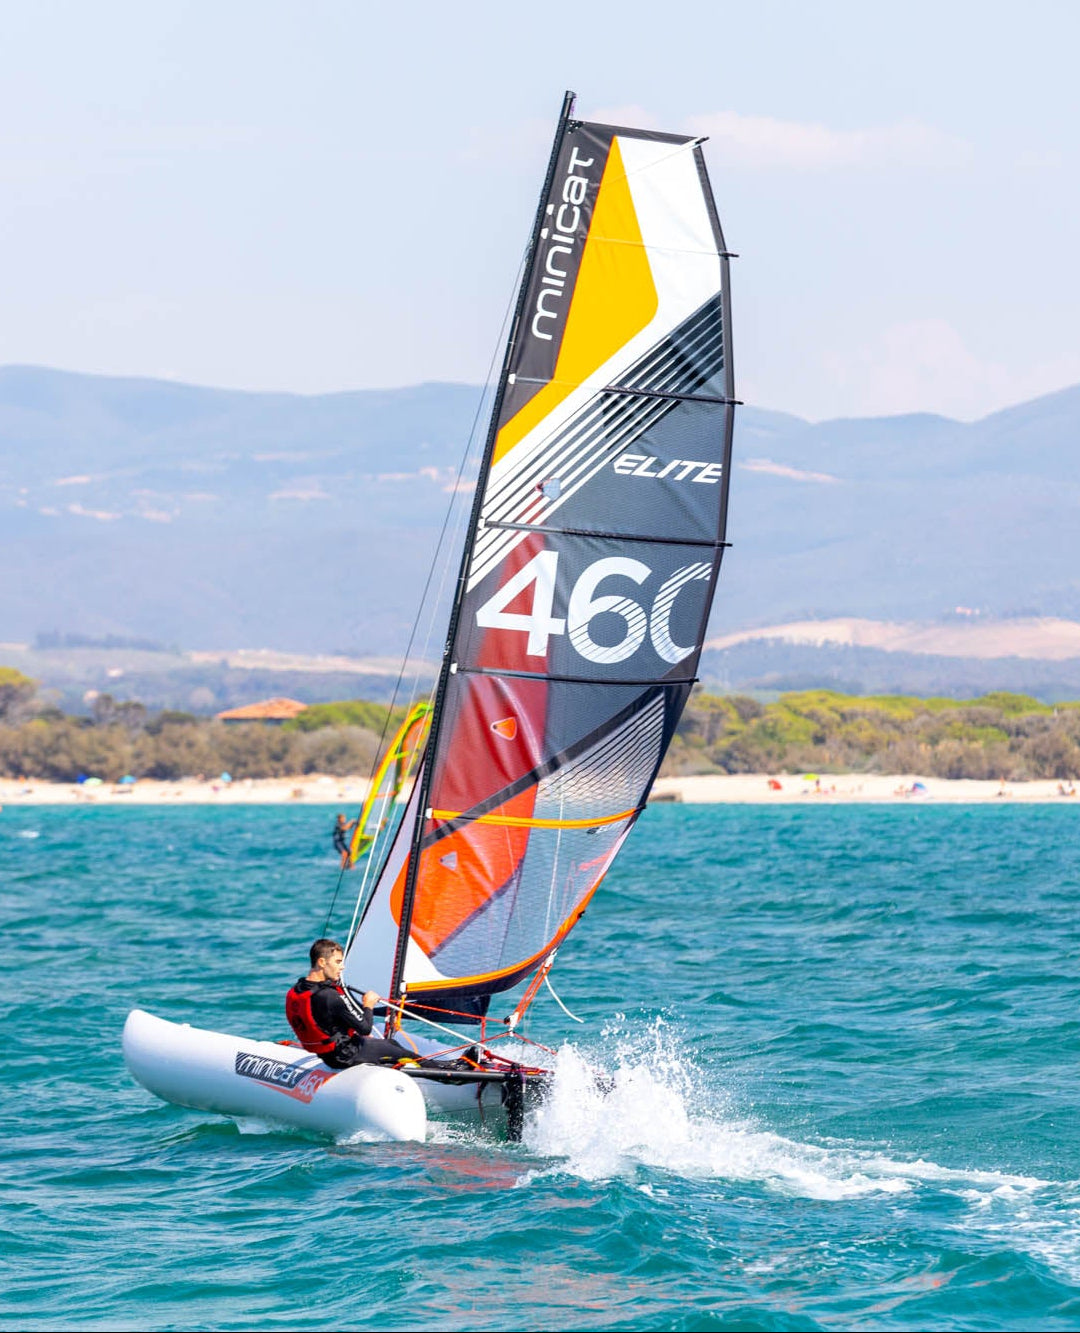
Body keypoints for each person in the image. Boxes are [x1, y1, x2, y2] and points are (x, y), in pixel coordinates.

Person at [285, 938, 411, 1069]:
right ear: (322, 962)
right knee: (402, 1052)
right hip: (347, 1055)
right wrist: (368, 1004)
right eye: (338, 962)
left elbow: (326, 1022)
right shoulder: (330, 995)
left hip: (326, 1055)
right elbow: (365, 1028)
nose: (342, 967)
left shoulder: (297, 990)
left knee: (391, 1043)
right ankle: (433, 1076)